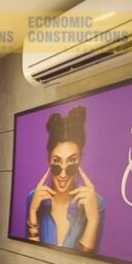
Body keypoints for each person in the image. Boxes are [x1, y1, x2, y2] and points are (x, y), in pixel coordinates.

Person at [26, 106, 104, 252]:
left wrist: (93, 220)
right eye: (57, 162)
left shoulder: (96, 202)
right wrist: (32, 212)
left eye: (71, 163)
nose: (63, 174)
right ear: (49, 160)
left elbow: (84, 260)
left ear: (80, 160)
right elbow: (33, 254)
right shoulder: (34, 198)